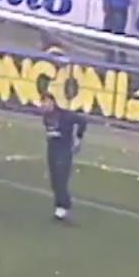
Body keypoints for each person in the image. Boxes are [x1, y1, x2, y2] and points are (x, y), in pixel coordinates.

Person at [40, 92, 87, 221]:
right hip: (52, 151)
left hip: (64, 151)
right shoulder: (46, 118)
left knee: (61, 180)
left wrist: (78, 138)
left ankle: (63, 206)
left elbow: (82, 121)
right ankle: (60, 205)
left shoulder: (65, 115)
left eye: (45, 102)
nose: (43, 105)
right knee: (55, 181)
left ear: (52, 102)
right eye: (42, 103)